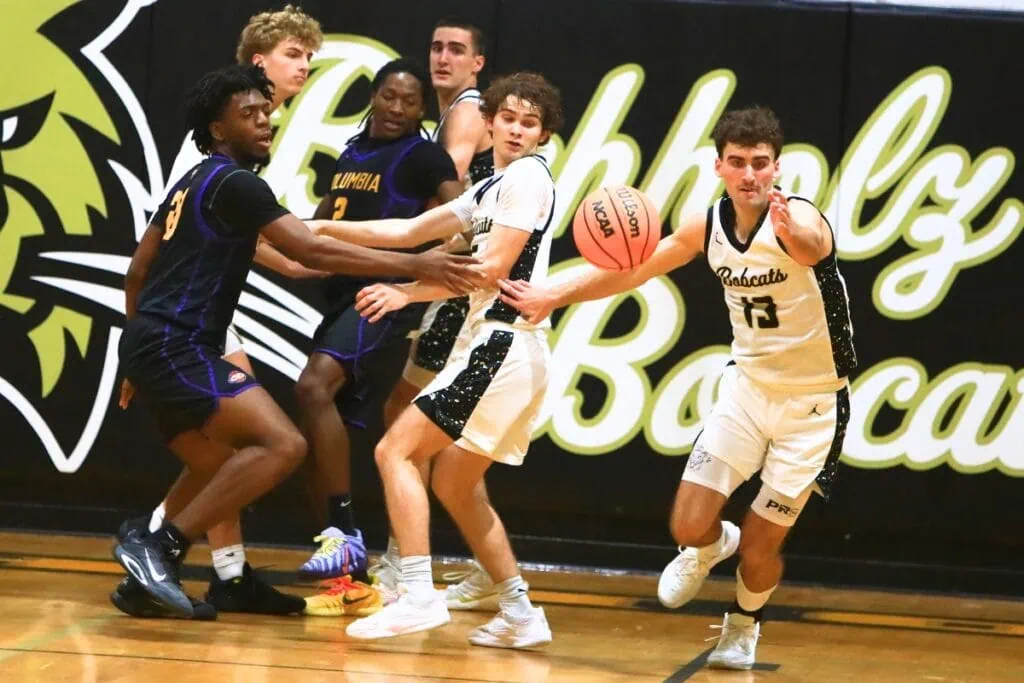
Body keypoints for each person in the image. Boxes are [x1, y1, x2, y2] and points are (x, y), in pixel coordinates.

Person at [111, 63, 479, 618]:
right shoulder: (236, 183)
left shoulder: (191, 181)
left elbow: (139, 271)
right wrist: (414, 264)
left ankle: (164, 581)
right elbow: (309, 247)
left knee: (218, 462)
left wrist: (133, 357)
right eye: (248, 114)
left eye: (266, 111)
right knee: (283, 444)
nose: (265, 121)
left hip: (151, 343)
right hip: (175, 343)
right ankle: (157, 546)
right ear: (217, 128)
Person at [497, 106, 856, 670]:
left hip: (814, 404)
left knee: (761, 546)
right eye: (737, 162)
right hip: (747, 391)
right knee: (686, 525)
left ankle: (743, 625)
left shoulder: (799, 217)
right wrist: (552, 295)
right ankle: (710, 546)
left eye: (760, 163)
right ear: (719, 167)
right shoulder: (707, 226)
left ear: (777, 167)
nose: (750, 174)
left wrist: (797, 233)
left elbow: (814, 246)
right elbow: (632, 270)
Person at [310, 71, 562, 649]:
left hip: (501, 344)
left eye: (529, 123)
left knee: (394, 450)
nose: (517, 130)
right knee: (454, 483)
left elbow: (490, 270)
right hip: (501, 349)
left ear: (543, 134)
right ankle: (521, 612)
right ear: (489, 121)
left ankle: (417, 593)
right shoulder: (490, 187)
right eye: (508, 118)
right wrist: (321, 226)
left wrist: (406, 292)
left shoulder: (527, 178)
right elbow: (409, 231)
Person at [112, 5, 326, 619]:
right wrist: (308, 255)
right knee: (270, 443)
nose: (304, 67)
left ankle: (210, 571)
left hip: (170, 317)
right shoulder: (221, 147)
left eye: (310, 58)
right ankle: (159, 544)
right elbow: (202, 235)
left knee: (225, 457)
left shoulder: (243, 141)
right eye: (293, 55)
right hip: (186, 314)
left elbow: (234, 236)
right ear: (258, 64)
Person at [292, 59, 463, 602]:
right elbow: (317, 225)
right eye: (389, 96)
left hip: (381, 296)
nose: (396, 108)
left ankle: (345, 536)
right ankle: (348, 580)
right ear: (373, 96)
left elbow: (465, 220)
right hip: (340, 295)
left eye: (409, 101)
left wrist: (418, 279)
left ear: (421, 109)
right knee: (322, 431)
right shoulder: (352, 152)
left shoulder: (424, 157)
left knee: (313, 386)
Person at [367, 16, 498, 607]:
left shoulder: (466, 112)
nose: (443, 57)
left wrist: (409, 261)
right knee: (444, 440)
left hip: (463, 284)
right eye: (437, 47)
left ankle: (403, 563)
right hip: (461, 282)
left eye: (457, 49)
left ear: (477, 64)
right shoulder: (446, 114)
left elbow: (452, 192)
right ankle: (488, 566)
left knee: (407, 421)